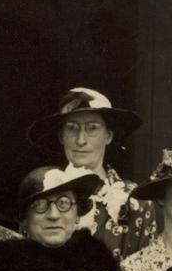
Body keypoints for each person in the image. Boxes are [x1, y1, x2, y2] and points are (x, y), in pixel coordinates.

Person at [27, 86, 156, 261]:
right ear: (61, 136)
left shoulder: (135, 201)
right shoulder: (40, 194)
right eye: (72, 128)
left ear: (108, 136)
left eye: (92, 128)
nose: (81, 140)